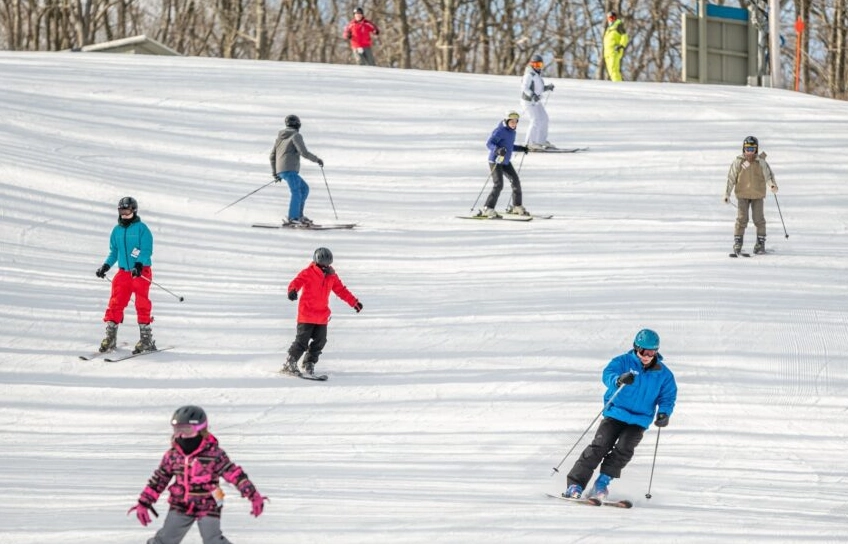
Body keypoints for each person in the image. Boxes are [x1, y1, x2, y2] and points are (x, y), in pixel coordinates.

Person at [563, 329, 677, 501]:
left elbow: (668, 396)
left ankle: (601, 484)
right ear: (636, 348)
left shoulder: (664, 374)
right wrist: (618, 380)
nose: (647, 356)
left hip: (639, 420)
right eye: (643, 351)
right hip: (616, 413)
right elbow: (607, 374)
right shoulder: (622, 362)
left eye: (652, 352)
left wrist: (664, 413)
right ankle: (575, 484)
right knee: (599, 446)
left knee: (624, 450)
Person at [128, 406, 267, 544]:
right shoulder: (173, 455)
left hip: (208, 504)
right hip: (180, 504)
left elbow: (235, 474)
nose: (182, 435)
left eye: (187, 430)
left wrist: (253, 495)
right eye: (177, 430)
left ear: (201, 430)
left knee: (212, 539)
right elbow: (159, 479)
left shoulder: (214, 454)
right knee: (165, 540)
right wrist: (144, 503)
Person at [283, 247, 362, 377]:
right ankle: (290, 363)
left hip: (321, 316)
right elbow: (296, 282)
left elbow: (341, 290)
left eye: (328, 264)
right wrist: (292, 291)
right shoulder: (308, 272)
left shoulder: (332, 276)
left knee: (321, 341)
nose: (325, 267)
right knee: (302, 342)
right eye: (323, 265)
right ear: (316, 262)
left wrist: (354, 302)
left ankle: (309, 363)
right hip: (306, 314)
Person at [95, 196, 156, 354]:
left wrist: (139, 263)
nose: (124, 213)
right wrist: (106, 266)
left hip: (140, 272)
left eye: (127, 210)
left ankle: (146, 339)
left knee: (141, 303)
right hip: (123, 273)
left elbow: (147, 249)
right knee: (116, 301)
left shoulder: (142, 229)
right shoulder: (116, 230)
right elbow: (114, 251)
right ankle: (111, 337)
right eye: (121, 210)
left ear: (134, 210)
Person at [724, 135, 778, 255]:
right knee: (742, 218)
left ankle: (760, 243)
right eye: (747, 149)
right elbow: (731, 178)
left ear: (756, 150)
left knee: (759, 219)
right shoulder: (739, 162)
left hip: (757, 195)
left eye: (752, 149)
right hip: (742, 194)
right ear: (743, 149)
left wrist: (772, 185)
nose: (750, 152)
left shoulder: (761, 162)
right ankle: (738, 242)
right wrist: (727, 194)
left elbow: (768, 176)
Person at [269, 114, 324, 226]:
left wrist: (276, 173)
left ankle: (298, 215)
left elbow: (272, 156)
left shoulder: (279, 138)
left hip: (283, 171)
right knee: (296, 191)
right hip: (289, 169)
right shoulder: (296, 135)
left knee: (304, 188)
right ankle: (293, 217)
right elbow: (303, 152)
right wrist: (317, 160)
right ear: (298, 124)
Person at [479, 111, 530, 218]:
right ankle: (487, 208)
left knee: (515, 181)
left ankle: (517, 206)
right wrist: (497, 150)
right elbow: (489, 143)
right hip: (496, 161)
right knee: (498, 184)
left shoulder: (512, 132)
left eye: (516, 122)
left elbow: (509, 146)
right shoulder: (500, 131)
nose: (514, 123)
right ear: (506, 121)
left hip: (505, 161)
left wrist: (521, 148)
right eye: (511, 121)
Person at [519, 53, 555, 150]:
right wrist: (532, 95)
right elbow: (524, 88)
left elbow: (538, 88)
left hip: (536, 102)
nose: (538, 67)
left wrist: (547, 87)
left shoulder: (537, 75)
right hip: (528, 102)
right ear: (531, 64)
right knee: (535, 120)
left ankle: (540, 141)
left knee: (544, 119)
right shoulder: (529, 75)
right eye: (536, 65)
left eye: (540, 65)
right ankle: (530, 143)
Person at [603, 11, 630, 82]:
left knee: (613, 69)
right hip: (607, 53)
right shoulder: (609, 29)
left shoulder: (618, 26)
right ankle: (617, 83)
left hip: (614, 51)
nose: (611, 20)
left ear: (615, 18)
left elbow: (625, 36)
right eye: (609, 18)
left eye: (612, 18)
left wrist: (621, 45)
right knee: (610, 71)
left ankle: (618, 85)